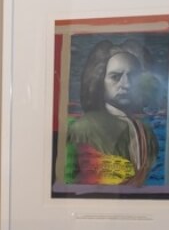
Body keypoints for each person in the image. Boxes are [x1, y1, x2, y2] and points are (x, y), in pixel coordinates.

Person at [63, 39, 160, 186]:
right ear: (99, 80)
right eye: (115, 77)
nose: (126, 84)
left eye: (133, 76)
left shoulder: (146, 131)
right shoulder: (83, 128)